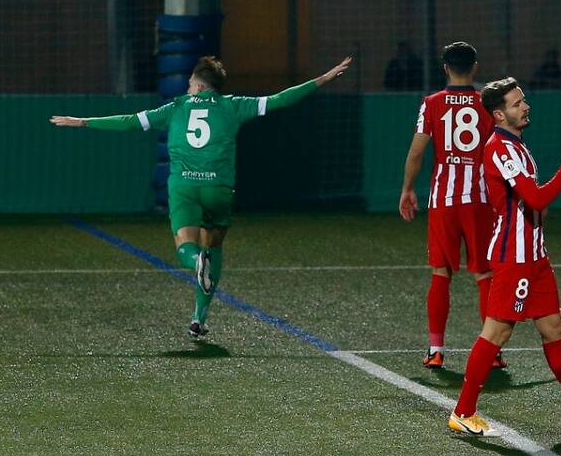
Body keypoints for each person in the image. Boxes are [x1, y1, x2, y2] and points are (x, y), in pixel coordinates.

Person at [52, 56, 352, 339]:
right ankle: (199, 318)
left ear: (197, 86)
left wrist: (83, 121)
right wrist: (324, 77)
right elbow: (280, 99)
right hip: (218, 188)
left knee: (187, 247)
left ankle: (196, 263)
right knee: (214, 247)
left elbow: (130, 120)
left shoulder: (176, 107)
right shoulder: (233, 106)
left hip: (184, 187)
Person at [447, 78, 561, 436]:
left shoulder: (517, 145)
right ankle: (463, 412)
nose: (525, 106)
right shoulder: (500, 147)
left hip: (534, 256)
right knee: (496, 334)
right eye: (517, 104)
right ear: (499, 114)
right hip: (514, 259)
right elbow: (536, 199)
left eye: (523, 100)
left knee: (553, 328)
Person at [398, 42, 503, 371]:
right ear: (474, 67)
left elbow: (416, 152)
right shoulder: (488, 103)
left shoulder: (432, 103)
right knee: (485, 273)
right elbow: (502, 149)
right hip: (480, 199)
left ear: (445, 68)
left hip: (443, 198)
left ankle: (436, 349)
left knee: (441, 273)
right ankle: (493, 352)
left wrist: (407, 189)